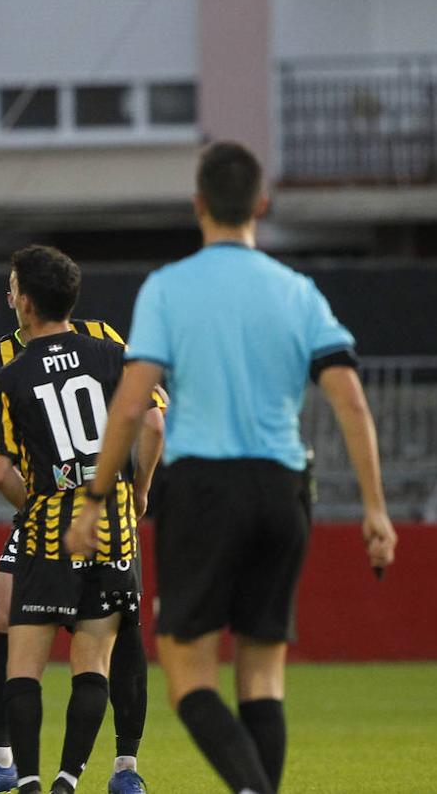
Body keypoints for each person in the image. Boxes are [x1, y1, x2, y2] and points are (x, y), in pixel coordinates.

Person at [68, 141, 398, 794]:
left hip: (203, 488)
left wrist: (99, 495)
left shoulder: (168, 288)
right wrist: (375, 508)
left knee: (188, 672)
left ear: (197, 205)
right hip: (283, 489)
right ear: (262, 204)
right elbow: (351, 401)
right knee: (263, 675)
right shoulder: (298, 292)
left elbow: (133, 404)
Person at [0, 313, 165, 794]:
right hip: (54, 509)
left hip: (101, 507)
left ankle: (124, 767)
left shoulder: (102, 339)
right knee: (4, 614)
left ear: (25, 297)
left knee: (119, 634)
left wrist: (131, 491)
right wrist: (38, 506)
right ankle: (7, 764)